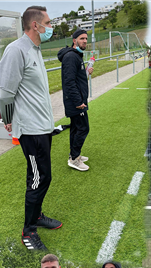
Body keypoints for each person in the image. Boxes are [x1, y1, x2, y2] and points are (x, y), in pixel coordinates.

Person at [0, 6, 61, 251]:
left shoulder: (35, 49)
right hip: (30, 131)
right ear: (35, 25)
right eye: (48, 22)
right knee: (38, 179)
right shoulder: (16, 50)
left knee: (41, 176)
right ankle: (28, 231)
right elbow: (5, 93)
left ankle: (37, 216)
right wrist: (8, 119)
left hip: (43, 127)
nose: (50, 27)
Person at [58, 29, 93, 171]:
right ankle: (74, 158)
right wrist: (78, 102)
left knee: (75, 128)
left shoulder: (76, 56)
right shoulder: (71, 57)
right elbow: (69, 82)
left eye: (86, 38)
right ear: (74, 40)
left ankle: (74, 155)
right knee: (83, 128)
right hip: (75, 102)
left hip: (77, 99)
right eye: (81, 38)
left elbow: (76, 78)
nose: (85, 41)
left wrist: (85, 72)